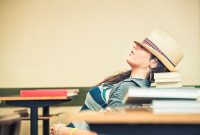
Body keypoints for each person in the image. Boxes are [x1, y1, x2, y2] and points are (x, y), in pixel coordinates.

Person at [50, 29, 183, 135]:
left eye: (144, 48)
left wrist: (63, 131)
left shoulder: (130, 88)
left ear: (153, 63)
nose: (135, 46)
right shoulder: (132, 84)